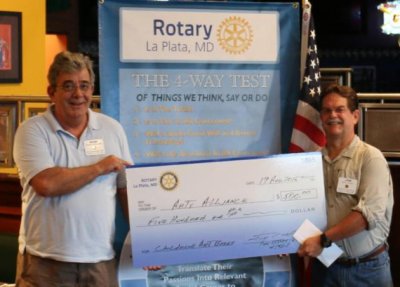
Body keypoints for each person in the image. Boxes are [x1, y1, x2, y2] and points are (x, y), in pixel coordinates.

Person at [13, 51, 132, 286]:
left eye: (84, 86)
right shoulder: (32, 131)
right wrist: (100, 167)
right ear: (52, 93)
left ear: (91, 90)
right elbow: (47, 184)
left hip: (100, 261)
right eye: (68, 86)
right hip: (44, 263)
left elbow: (127, 189)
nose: (78, 94)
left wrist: (147, 239)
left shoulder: (112, 129)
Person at [297, 84, 393, 286]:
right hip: (325, 269)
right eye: (326, 110)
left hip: (367, 271)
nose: (333, 115)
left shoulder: (370, 158)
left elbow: (368, 216)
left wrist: (323, 240)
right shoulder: (310, 163)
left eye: (340, 109)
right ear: (321, 117)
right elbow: (298, 208)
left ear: (355, 116)